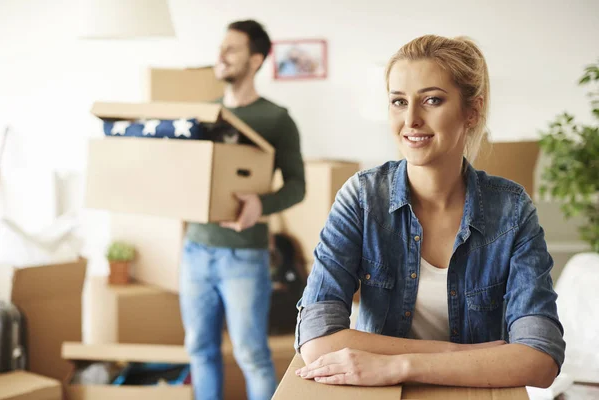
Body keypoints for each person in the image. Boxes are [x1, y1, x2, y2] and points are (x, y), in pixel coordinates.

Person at [294, 34, 565, 389]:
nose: (411, 119)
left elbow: (540, 357)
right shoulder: (362, 197)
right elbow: (317, 338)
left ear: (472, 110)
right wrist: (457, 354)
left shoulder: (511, 210)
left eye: (432, 100)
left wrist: (401, 366)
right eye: (398, 101)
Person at [179, 20, 305, 400]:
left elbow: (298, 185)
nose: (220, 56)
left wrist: (261, 205)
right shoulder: (202, 116)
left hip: (245, 256)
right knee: (200, 351)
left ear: (256, 59)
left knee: (252, 355)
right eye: (221, 48)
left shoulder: (277, 119)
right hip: (195, 251)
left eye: (231, 49)